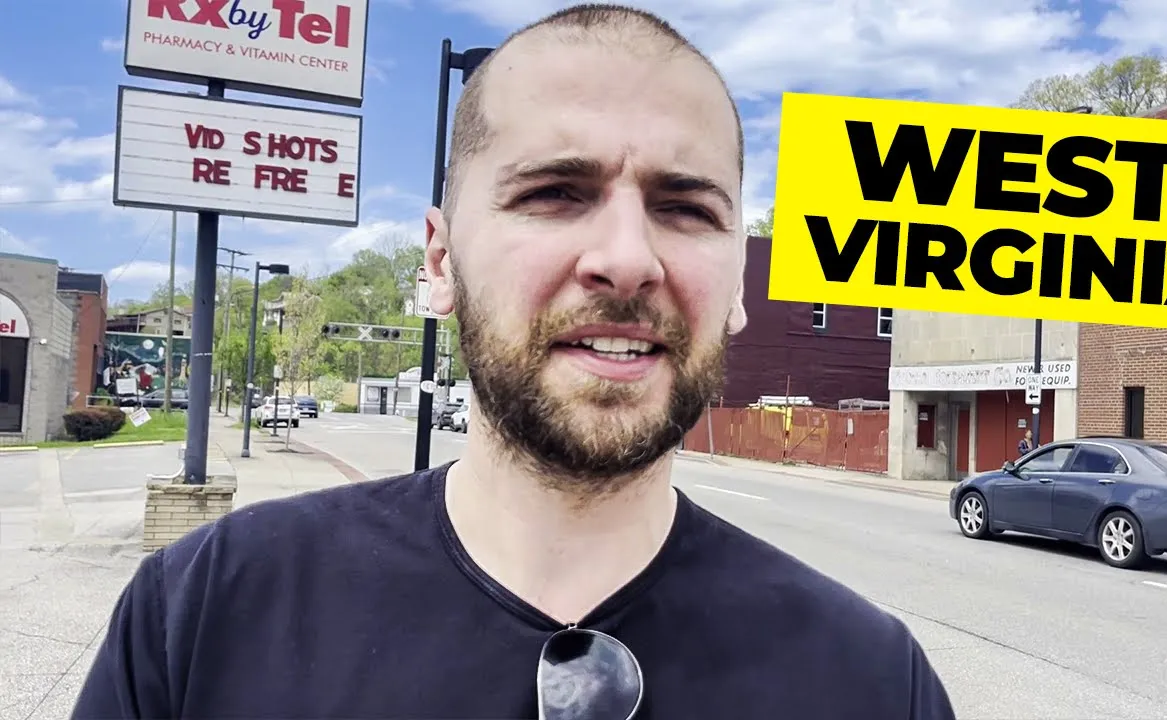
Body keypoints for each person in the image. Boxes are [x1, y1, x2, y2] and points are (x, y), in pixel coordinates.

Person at [72, 5, 956, 719]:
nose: (628, 259)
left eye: (687, 208)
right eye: (555, 193)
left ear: (736, 286)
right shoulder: (203, 614)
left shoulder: (874, 682)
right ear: (439, 261)